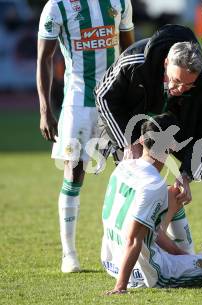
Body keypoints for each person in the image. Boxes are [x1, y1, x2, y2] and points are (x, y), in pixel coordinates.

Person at [95, 24, 202, 224]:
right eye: (175, 80)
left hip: (180, 128)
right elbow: (103, 96)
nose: (179, 89)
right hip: (130, 127)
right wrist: (128, 142)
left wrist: (187, 175)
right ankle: (130, 239)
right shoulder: (134, 60)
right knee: (140, 182)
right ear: (166, 63)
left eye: (187, 85)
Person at [37, 0, 135, 273]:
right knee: (73, 172)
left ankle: (124, 249)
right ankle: (69, 254)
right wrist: (45, 110)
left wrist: (133, 97)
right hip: (78, 103)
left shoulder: (119, 1)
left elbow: (129, 49)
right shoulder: (56, 6)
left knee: (129, 171)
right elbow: (44, 57)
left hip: (114, 101)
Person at [102, 114, 202, 293]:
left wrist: (178, 254)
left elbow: (146, 232)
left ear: (142, 140)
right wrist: (120, 287)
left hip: (112, 263)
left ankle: (186, 257)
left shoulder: (123, 167)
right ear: (173, 147)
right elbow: (133, 239)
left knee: (171, 196)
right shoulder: (153, 185)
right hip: (147, 273)